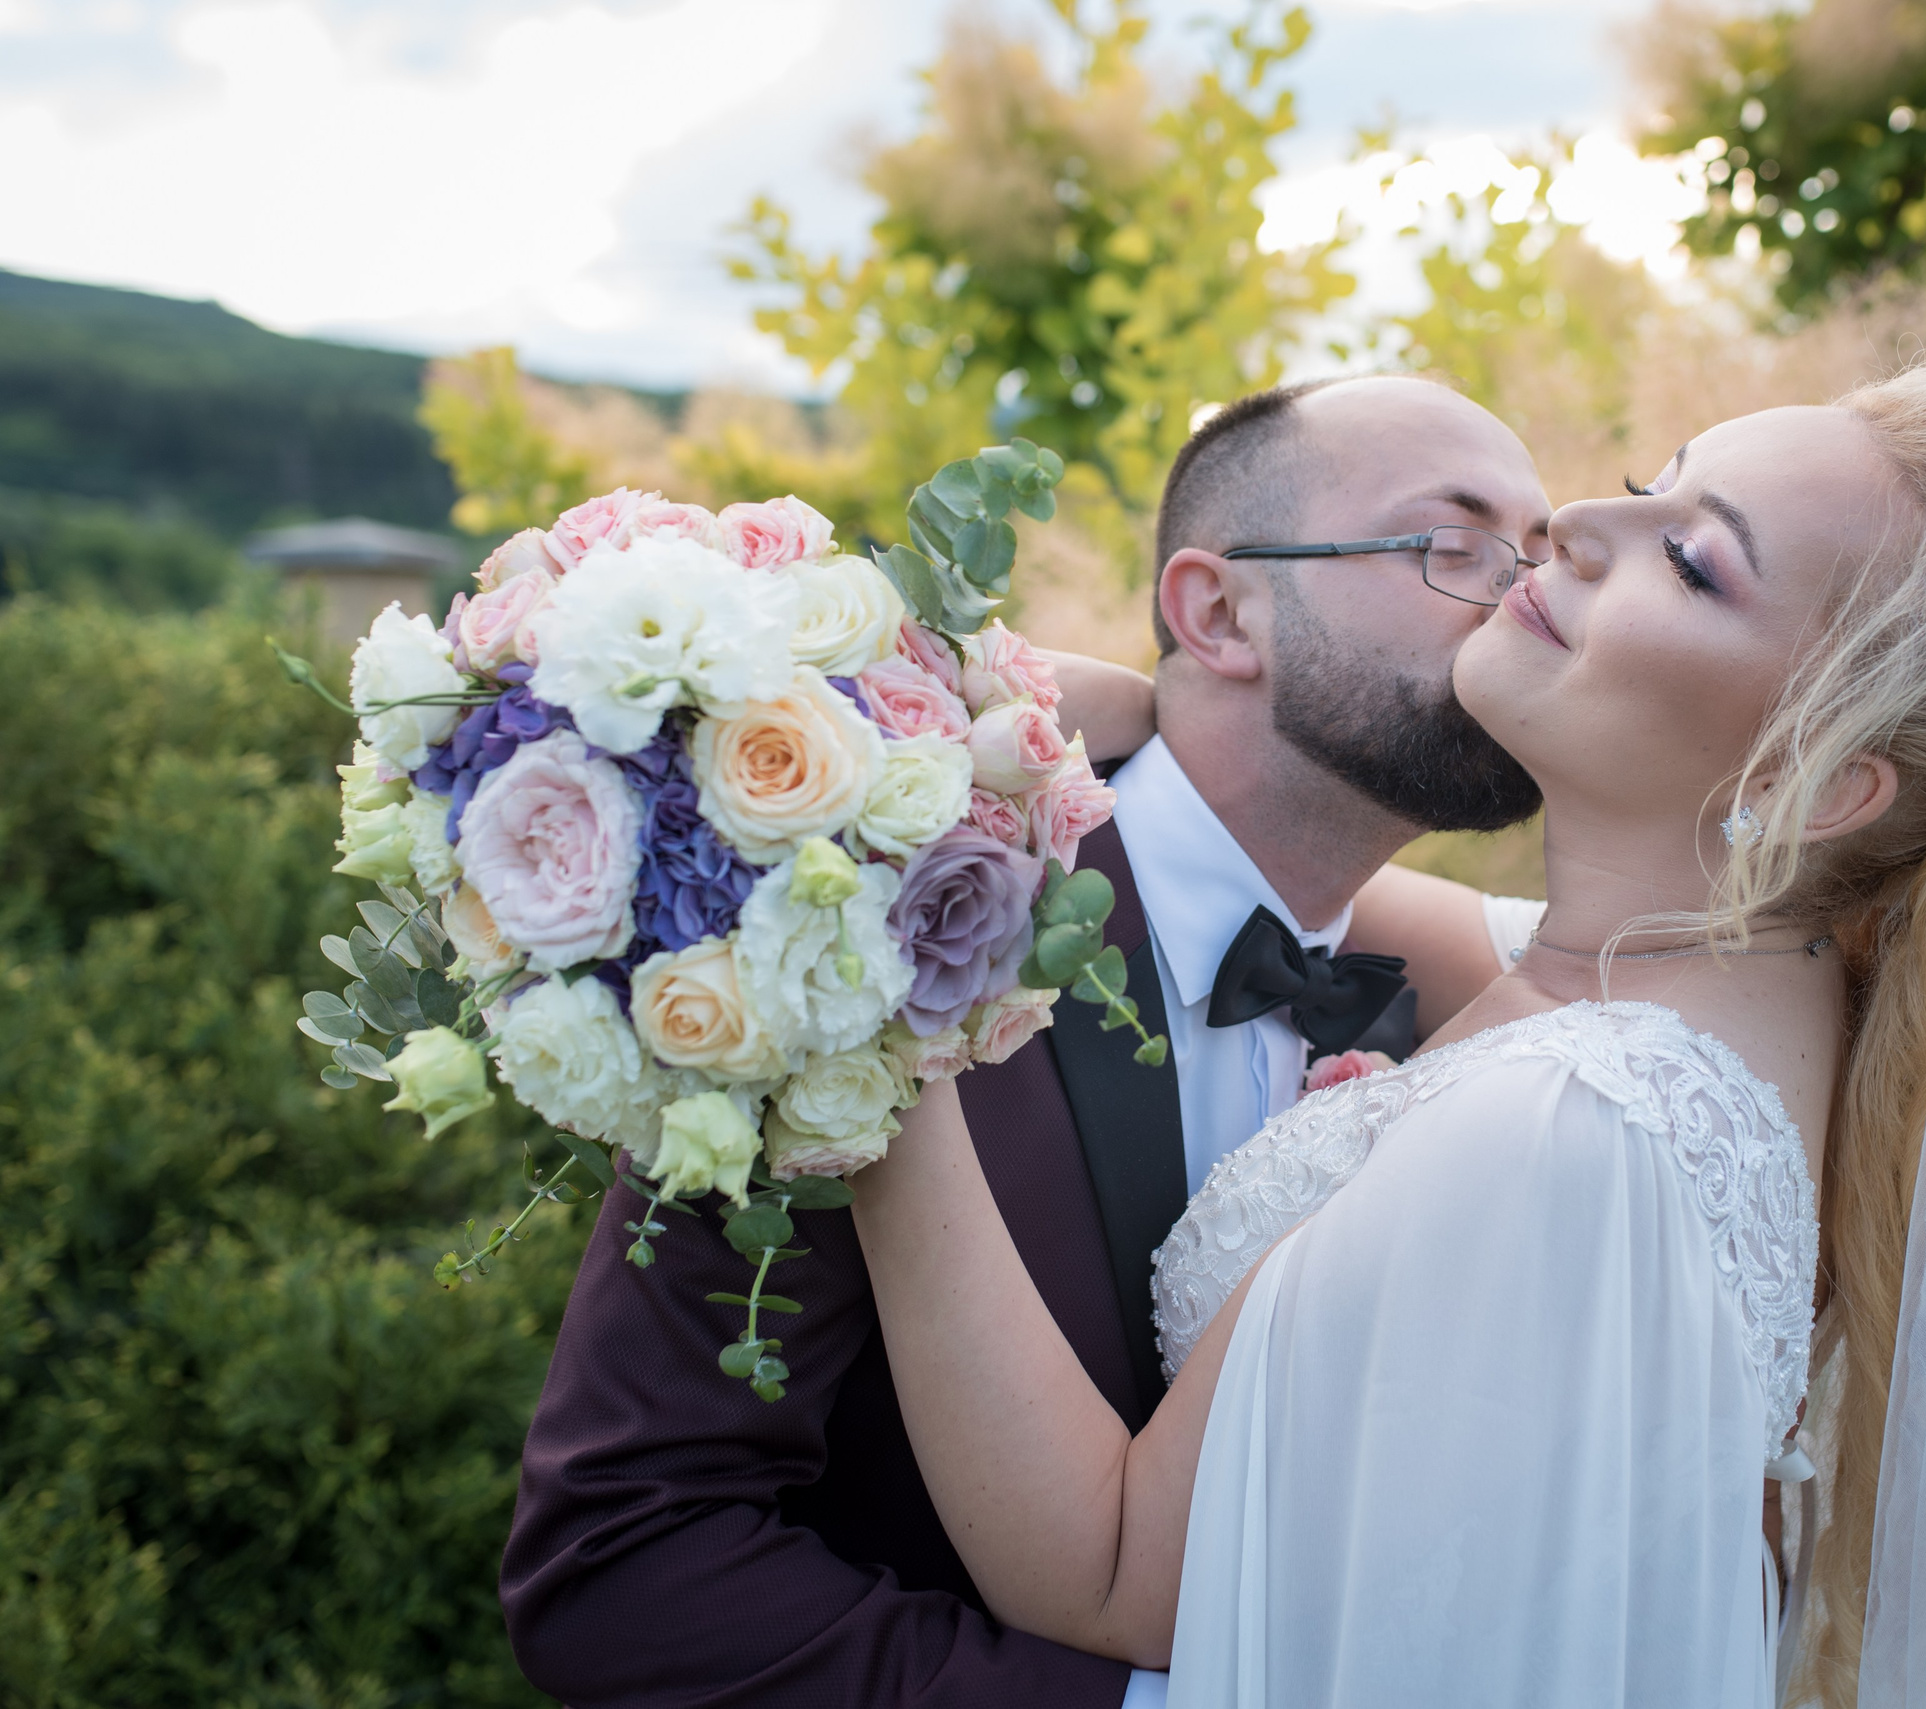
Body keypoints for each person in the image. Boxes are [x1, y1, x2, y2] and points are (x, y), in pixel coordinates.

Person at [841, 364, 1926, 1707]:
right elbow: (1258, 870)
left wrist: (864, 1029)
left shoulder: (1575, 1119)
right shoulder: (1744, 995)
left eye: (1695, 558)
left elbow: (1105, 1574)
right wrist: (1082, 730)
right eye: (1652, 481)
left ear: (1818, 776)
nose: (1575, 526)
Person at [501, 376, 1553, 1709]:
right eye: (1450, 549)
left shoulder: (1451, 1003)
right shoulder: (871, 932)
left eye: (1540, 551)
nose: (1521, 594)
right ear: (1218, 610)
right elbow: (623, 1559)